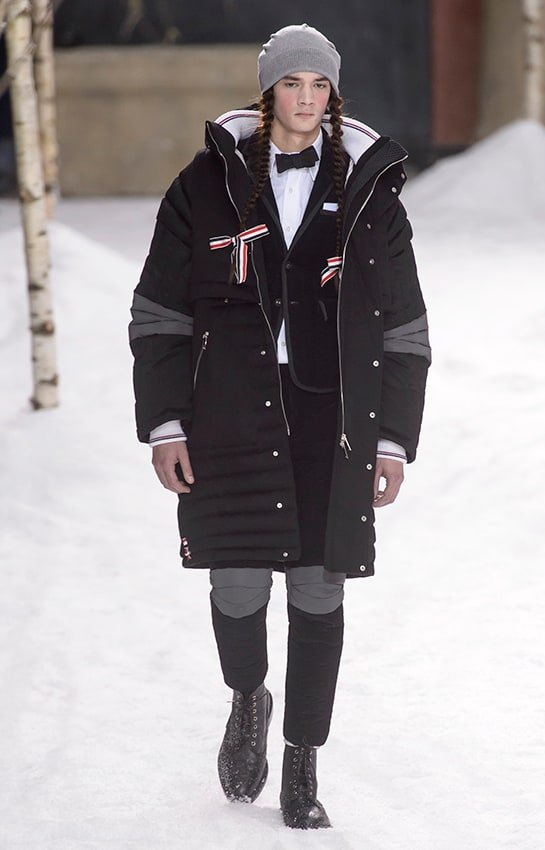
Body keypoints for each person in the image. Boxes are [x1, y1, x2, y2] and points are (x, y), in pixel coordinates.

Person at [129, 23, 431, 830]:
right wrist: (165, 423)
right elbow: (158, 313)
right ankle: (246, 698)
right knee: (237, 582)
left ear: (334, 96)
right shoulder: (205, 186)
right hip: (228, 407)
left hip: (333, 415)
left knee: (317, 587)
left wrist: (393, 439)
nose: (306, 99)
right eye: (292, 84)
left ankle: (303, 760)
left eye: (319, 85)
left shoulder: (368, 191)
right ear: (268, 93)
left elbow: (405, 329)